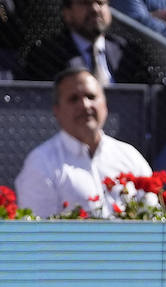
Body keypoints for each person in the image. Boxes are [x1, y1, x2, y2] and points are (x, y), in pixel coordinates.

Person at [15, 68, 151, 218]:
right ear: (57, 111)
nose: (85, 105)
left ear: (105, 105)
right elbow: (36, 234)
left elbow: (153, 216)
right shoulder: (41, 163)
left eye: (91, 96)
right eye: (73, 99)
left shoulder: (129, 156)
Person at [24, 0, 152, 86]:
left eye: (100, 2)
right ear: (67, 13)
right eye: (85, 3)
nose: (95, 9)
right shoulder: (47, 54)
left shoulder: (128, 52)